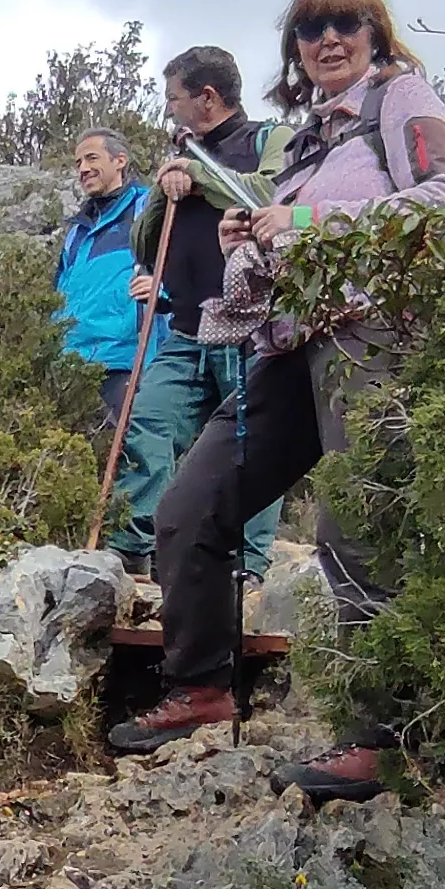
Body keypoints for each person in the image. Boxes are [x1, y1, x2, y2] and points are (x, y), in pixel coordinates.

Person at [108, 0, 445, 796]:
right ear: (294, 50)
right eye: (311, 30)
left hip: (376, 333)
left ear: (376, 31)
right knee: (190, 506)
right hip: (291, 343)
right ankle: (199, 687)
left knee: (360, 526)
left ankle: (380, 737)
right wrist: (255, 230)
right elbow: (293, 235)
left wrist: (303, 221)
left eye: (346, 22)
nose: (328, 40)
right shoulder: (309, 138)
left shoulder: (400, 100)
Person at [124, 49, 294, 581]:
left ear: (207, 97)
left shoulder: (271, 141)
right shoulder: (180, 157)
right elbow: (144, 245)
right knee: (146, 423)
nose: (169, 109)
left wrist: (197, 175)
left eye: (174, 97)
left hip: (250, 330)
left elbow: (268, 195)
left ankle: (248, 562)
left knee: (251, 446)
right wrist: (164, 186)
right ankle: (134, 548)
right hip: (184, 331)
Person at [58, 130, 172, 571]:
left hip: (126, 351)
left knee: (138, 452)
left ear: (120, 160)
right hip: (73, 358)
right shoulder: (75, 231)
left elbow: (174, 260)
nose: (83, 169)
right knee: (86, 458)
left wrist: (164, 291)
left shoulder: (148, 208)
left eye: (91, 158)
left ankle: (138, 554)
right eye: (77, 162)